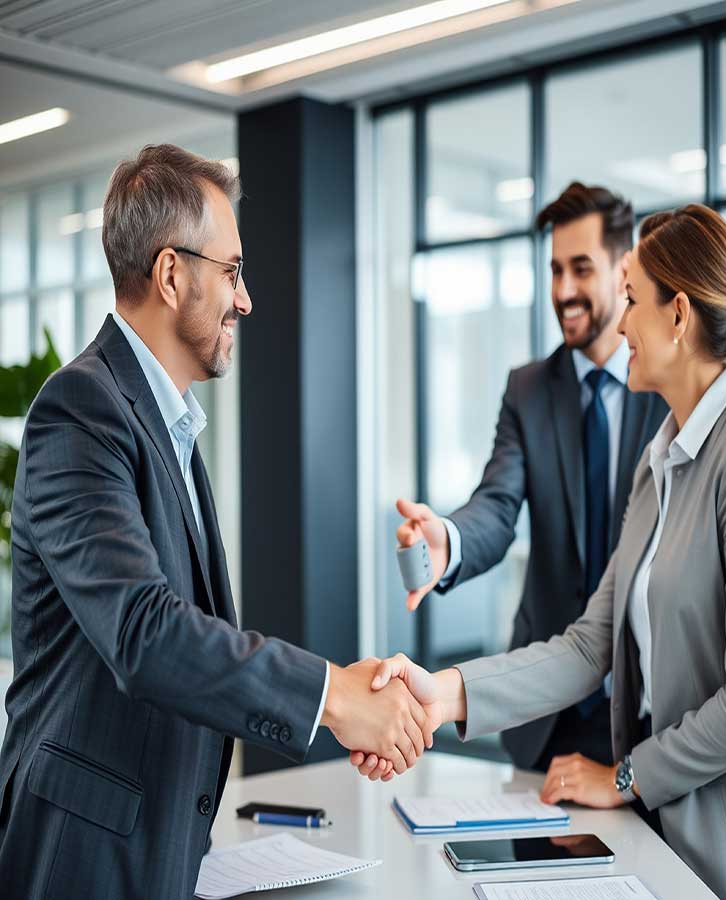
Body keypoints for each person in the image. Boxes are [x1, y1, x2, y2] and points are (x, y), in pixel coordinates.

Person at [355, 204, 726, 900]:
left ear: (677, 315)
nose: (621, 322)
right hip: (665, 843)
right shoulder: (659, 461)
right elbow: (589, 645)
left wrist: (623, 775)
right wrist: (440, 694)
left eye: (631, 300)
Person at [0, 144, 432, 900]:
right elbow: (145, 632)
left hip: (155, 844)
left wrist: (341, 692)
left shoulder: (162, 422)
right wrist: (334, 698)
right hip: (81, 858)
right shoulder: (82, 410)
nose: (246, 299)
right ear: (172, 275)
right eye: (231, 271)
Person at [395, 182, 667, 780]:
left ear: (626, 271)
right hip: (544, 709)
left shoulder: (667, 391)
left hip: (650, 708)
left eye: (580, 269)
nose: (563, 291)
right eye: (553, 271)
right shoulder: (529, 389)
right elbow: (496, 506)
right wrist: (448, 540)